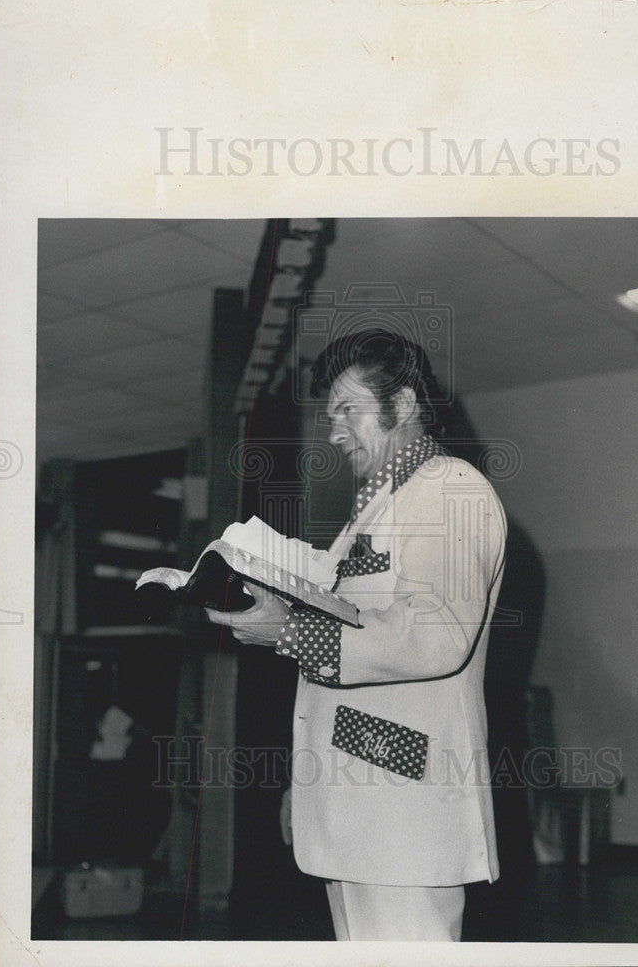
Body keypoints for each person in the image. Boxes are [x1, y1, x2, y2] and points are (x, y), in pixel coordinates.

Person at [206, 331, 507, 941]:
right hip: (359, 802)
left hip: (406, 809)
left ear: (401, 403)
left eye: (348, 410)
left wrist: (289, 631)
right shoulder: (373, 511)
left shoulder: (451, 490)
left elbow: (436, 637)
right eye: (329, 415)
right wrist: (307, 785)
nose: (334, 431)